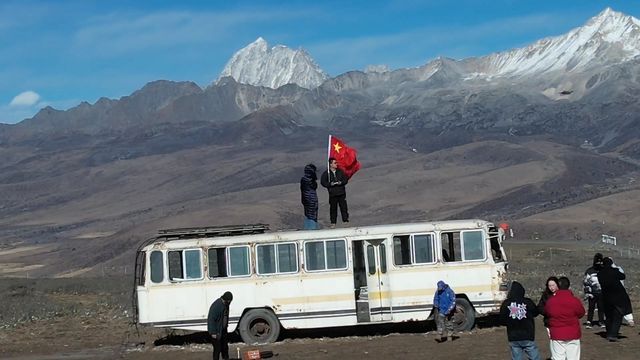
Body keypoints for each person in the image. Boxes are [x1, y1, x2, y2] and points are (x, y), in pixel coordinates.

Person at [545, 276, 585, 359]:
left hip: (557, 333)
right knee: (573, 357)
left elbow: (547, 313)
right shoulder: (574, 300)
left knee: (558, 357)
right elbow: (581, 313)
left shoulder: (551, 301)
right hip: (573, 333)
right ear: (568, 286)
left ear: (558, 287)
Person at [500, 281, 540, 360]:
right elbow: (536, 312)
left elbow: (502, 319)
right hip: (528, 335)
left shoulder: (506, 303)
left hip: (513, 336)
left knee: (517, 358)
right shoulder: (528, 302)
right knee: (534, 357)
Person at [599, 257, 632, 341]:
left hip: (606, 296)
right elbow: (623, 276)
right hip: (618, 296)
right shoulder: (615, 271)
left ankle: (609, 332)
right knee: (618, 315)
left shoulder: (600, 273)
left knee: (609, 316)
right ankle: (613, 334)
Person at [320, 157, 349, 228]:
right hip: (332, 194)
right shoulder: (327, 173)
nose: (336, 164)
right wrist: (330, 184)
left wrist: (341, 182)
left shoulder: (340, 171)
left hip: (341, 193)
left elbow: (345, 179)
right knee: (333, 208)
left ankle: (345, 221)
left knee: (343, 207)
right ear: (330, 164)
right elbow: (323, 182)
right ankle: (333, 223)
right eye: (335, 163)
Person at [207, 291, 233, 360]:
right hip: (216, 332)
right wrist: (213, 332)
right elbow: (211, 319)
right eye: (229, 301)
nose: (230, 303)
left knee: (225, 348)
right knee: (217, 349)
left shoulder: (226, 304)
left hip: (223, 331)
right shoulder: (217, 306)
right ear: (226, 300)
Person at [583, 253, 604, 328]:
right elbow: (586, 282)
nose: (599, 263)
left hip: (601, 292)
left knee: (601, 307)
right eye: (597, 262)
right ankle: (589, 321)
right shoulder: (590, 271)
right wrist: (587, 292)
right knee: (591, 307)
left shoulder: (604, 270)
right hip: (592, 292)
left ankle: (601, 321)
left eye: (600, 262)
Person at [300, 163, 319, 230]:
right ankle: (312, 229)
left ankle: (309, 228)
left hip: (306, 199)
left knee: (308, 215)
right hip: (311, 199)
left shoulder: (303, 180)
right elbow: (314, 186)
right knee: (312, 216)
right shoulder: (310, 180)